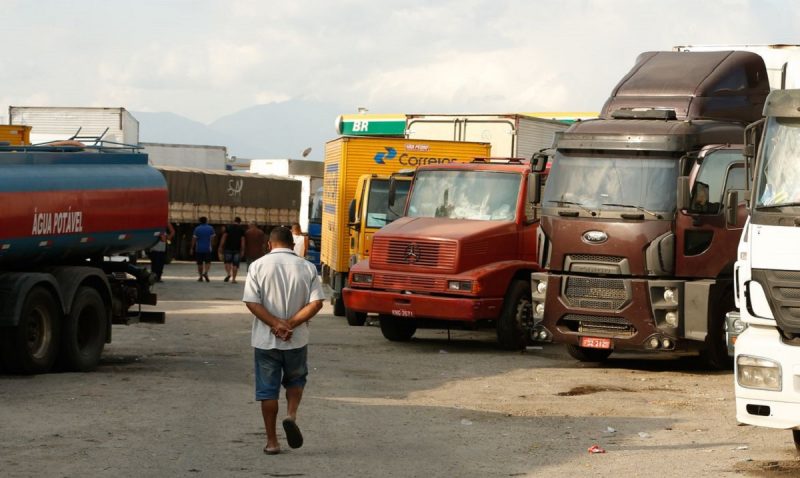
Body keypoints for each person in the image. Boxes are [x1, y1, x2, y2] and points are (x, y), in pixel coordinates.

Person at [243, 226, 325, 455]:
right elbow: (317, 303)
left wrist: (275, 324)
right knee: (296, 379)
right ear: (293, 244)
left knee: (267, 391)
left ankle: (272, 442)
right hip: (296, 340)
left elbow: (251, 302)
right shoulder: (307, 267)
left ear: (270, 244)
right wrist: (291, 324)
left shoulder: (257, 266)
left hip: (265, 341)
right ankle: (291, 415)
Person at [219, 217, 246, 283]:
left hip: (228, 248)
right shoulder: (241, 229)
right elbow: (242, 240)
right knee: (235, 264)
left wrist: (220, 246)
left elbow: (224, 237)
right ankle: (233, 279)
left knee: (227, 262)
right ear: (240, 222)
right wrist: (242, 250)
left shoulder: (228, 227)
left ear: (234, 221)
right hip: (237, 250)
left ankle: (228, 274)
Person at [190, 216, 215, 282]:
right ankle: (206, 272)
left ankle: (200, 276)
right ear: (206, 221)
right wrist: (211, 246)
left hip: (199, 248)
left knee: (199, 263)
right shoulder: (211, 228)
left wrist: (192, 248)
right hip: (207, 248)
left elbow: (194, 239)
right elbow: (212, 239)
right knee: (208, 262)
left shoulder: (197, 229)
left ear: (200, 221)